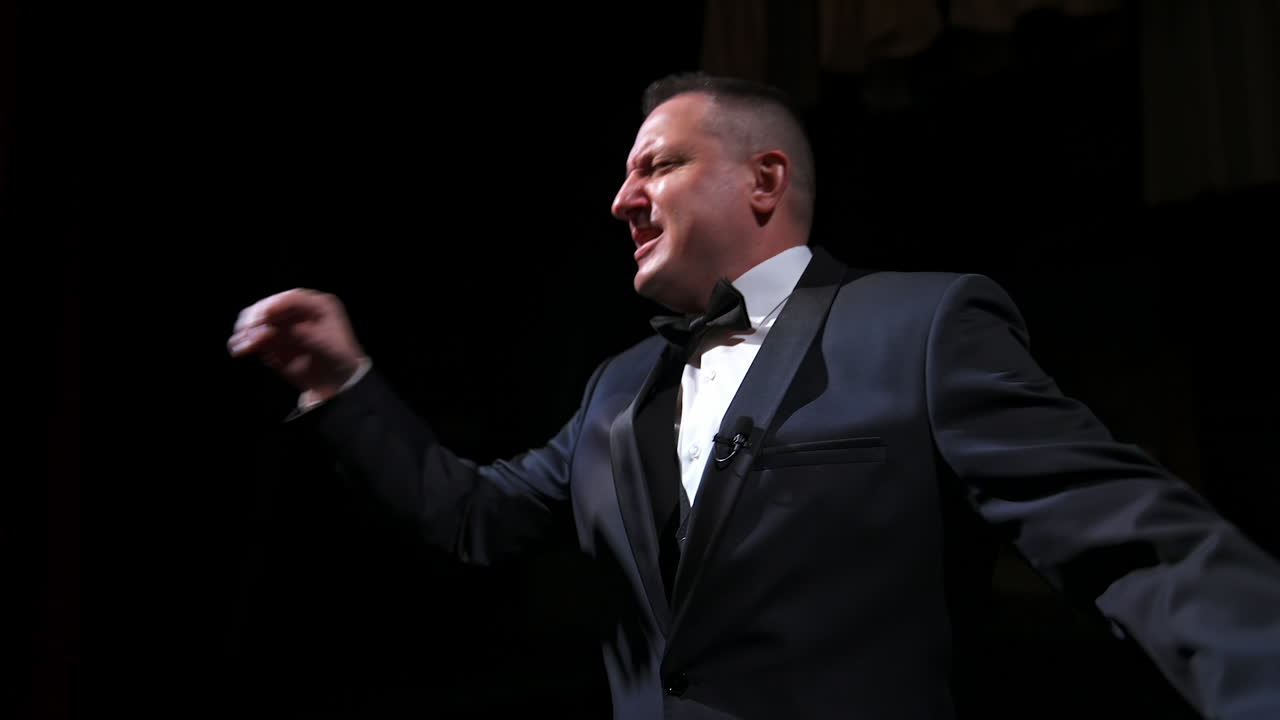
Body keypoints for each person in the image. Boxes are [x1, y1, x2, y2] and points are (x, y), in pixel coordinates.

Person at [228, 72, 1280, 720]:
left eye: (654, 165)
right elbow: (472, 517)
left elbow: (1131, 541)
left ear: (762, 182)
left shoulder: (918, 326)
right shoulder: (615, 390)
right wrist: (342, 382)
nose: (617, 198)